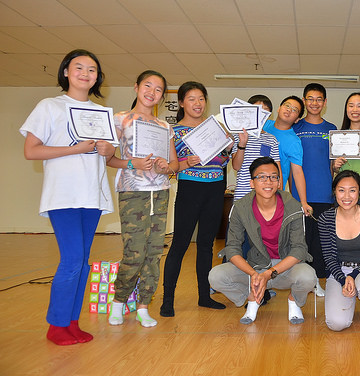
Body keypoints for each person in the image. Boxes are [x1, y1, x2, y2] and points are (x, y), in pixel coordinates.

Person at [20, 49, 115, 346]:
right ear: (66, 72)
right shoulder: (50, 106)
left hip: (92, 196)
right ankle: (56, 325)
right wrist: (75, 149)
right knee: (72, 260)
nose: (86, 73)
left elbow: (108, 154)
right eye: (79, 67)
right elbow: (31, 150)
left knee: (83, 263)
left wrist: (107, 150)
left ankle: (72, 322)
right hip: (63, 196)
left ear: (97, 77)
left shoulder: (101, 112)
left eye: (92, 69)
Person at [107, 70, 179, 328]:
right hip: (132, 191)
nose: (152, 92)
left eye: (158, 89)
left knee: (154, 252)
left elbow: (175, 164)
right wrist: (132, 163)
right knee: (134, 251)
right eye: (148, 86)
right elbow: (107, 158)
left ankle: (143, 306)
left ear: (162, 96)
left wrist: (165, 167)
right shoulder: (120, 120)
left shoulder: (165, 127)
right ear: (136, 87)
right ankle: (118, 302)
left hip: (160, 192)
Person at [208, 157, 316, 325]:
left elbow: (299, 250)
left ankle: (293, 300)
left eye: (273, 177)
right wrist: (254, 275)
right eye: (262, 177)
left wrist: (268, 274)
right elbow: (232, 248)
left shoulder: (293, 206)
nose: (268, 181)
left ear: (279, 182)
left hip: (285, 267)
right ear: (252, 183)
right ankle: (253, 298)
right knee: (216, 276)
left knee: (308, 277)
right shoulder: (241, 208)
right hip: (256, 266)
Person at [160, 81, 231, 317]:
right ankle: (167, 300)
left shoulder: (215, 128)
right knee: (180, 244)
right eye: (191, 99)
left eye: (201, 98)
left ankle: (204, 296)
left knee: (206, 245)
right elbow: (169, 167)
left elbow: (222, 161)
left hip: (216, 189)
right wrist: (185, 162)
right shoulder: (173, 131)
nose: (197, 103)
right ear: (181, 103)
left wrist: (228, 147)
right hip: (190, 189)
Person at [318, 170, 360, 331]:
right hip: (338, 272)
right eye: (341, 190)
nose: (347, 196)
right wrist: (343, 280)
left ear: (359, 192)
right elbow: (329, 257)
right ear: (334, 192)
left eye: (352, 190)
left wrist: (353, 276)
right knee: (336, 324)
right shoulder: (325, 218)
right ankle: (350, 294)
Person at [292, 83, 337, 296]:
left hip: (324, 194)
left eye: (319, 99)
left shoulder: (332, 129)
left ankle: (318, 281)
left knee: (321, 241)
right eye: (310, 99)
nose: (314, 103)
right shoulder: (295, 127)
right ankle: (302, 281)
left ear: (325, 102)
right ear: (304, 101)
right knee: (301, 241)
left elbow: (333, 165)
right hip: (299, 195)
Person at [263, 96, 313, 217]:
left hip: (273, 193)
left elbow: (297, 172)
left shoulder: (294, 141)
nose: (289, 110)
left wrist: (303, 202)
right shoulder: (263, 125)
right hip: (250, 186)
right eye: (287, 105)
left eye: (294, 110)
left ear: (297, 119)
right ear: (279, 108)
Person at [230, 94, 281, 202]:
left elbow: (277, 170)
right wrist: (242, 143)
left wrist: (279, 195)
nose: (260, 114)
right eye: (257, 110)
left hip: (266, 196)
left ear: (269, 115)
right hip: (243, 195)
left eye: (264, 111)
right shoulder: (238, 136)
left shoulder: (271, 139)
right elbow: (236, 166)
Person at [332, 92, 360, 211]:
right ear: (346, 109)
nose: (355, 110)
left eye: (359, 106)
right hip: (344, 193)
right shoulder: (339, 136)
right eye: (351, 105)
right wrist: (335, 166)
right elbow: (335, 169)